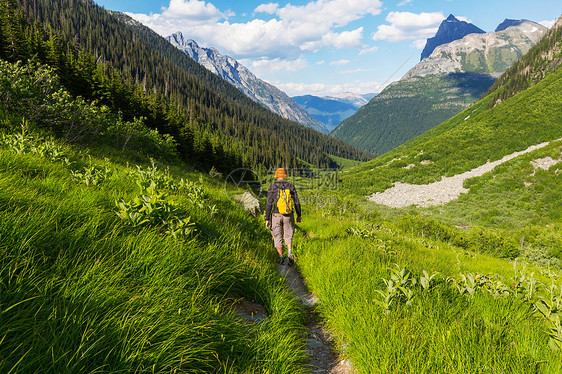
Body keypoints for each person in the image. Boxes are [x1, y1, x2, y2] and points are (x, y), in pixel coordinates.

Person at [265, 168, 302, 266]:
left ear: (276, 176)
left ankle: (281, 257)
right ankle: (290, 252)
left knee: (277, 236)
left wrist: (267, 218)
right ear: (285, 175)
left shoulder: (272, 187)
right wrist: (299, 215)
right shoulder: (291, 186)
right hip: (288, 215)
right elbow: (296, 202)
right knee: (288, 234)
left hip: (276, 215)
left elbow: (269, 203)